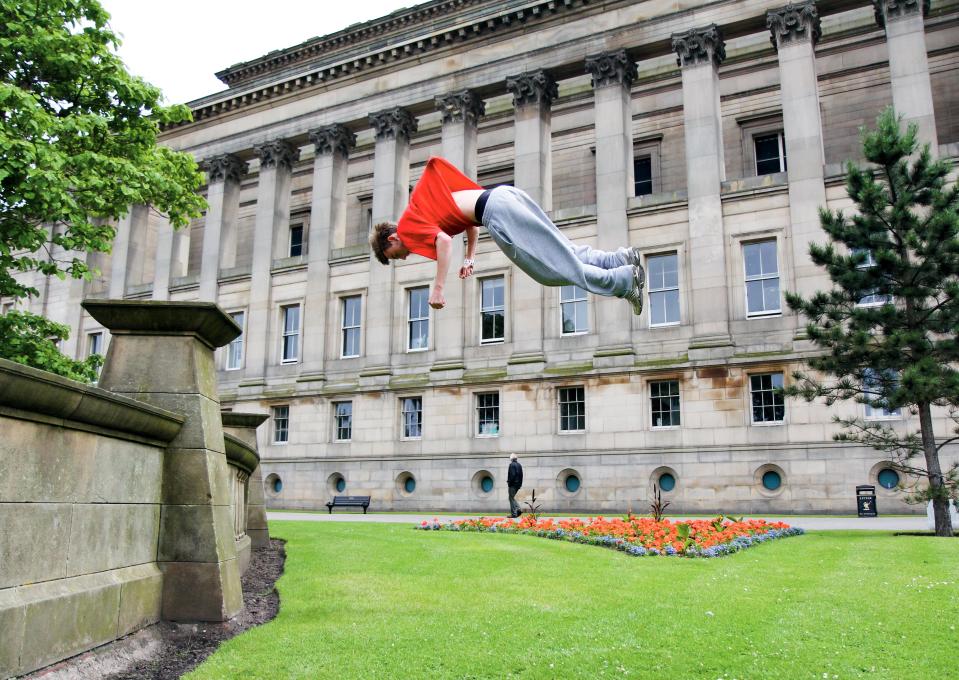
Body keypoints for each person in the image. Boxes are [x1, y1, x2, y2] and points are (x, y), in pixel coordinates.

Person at [369, 157, 645, 315]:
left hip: (497, 213)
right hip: (504, 196)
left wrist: (438, 287)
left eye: (394, 256)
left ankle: (623, 281)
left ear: (391, 240)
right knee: (565, 252)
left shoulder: (407, 227)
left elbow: (443, 241)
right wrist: (470, 257)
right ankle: (619, 259)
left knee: (550, 270)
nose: (402, 258)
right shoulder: (420, 211)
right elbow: (468, 224)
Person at [507, 453, 523, 518]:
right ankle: (518, 510)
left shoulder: (511, 465)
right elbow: (521, 475)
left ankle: (515, 513)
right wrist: (520, 484)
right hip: (518, 484)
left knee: (511, 498)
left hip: (513, 484)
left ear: (511, 458)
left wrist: (509, 483)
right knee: (512, 498)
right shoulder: (519, 465)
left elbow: (512, 475)